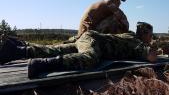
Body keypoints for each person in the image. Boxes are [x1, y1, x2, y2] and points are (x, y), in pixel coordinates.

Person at [0, 22, 159, 78]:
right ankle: (41, 64)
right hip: (92, 41)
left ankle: (15, 51)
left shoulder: (129, 35)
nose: (151, 38)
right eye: (150, 35)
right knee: (90, 59)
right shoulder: (136, 41)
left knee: (56, 49)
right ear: (144, 34)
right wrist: (156, 49)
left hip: (87, 38)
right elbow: (151, 57)